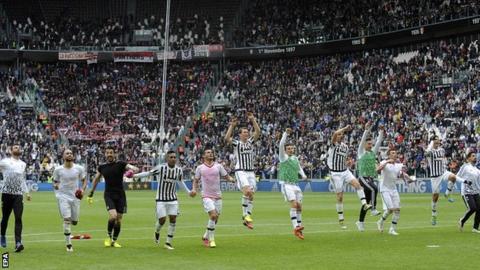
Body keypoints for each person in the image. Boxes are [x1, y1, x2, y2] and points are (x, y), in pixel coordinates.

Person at [133, 150, 190, 250]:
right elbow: (148, 173)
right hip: (161, 199)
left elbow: (180, 182)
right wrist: (135, 176)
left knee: (173, 219)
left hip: (173, 198)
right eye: (171, 157)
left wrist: (189, 192)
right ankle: (157, 231)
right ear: (167, 158)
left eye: (174, 157)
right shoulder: (161, 168)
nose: (173, 159)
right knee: (162, 220)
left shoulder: (178, 170)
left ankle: (168, 243)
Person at [87, 146, 139, 248]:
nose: (109, 154)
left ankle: (114, 241)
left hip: (120, 195)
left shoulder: (121, 164)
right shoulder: (102, 167)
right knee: (113, 216)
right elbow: (96, 179)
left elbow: (134, 168)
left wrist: (132, 171)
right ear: (105, 154)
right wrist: (91, 192)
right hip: (109, 195)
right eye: (107, 153)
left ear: (114, 153)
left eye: (111, 152)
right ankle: (108, 236)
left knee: (119, 220)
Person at [327, 125, 371, 229]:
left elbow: (343, 159)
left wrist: (348, 163)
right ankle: (341, 218)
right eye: (338, 134)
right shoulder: (333, 145)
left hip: (345, 171)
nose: (339, 136)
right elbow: (333, 134)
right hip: (335, 173)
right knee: (340, 197)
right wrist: (345, 128)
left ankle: (364, 204)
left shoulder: (345, 147)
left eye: (341, 134)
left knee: (358, 185)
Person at [190, 148, 234, 248]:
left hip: (218, 196)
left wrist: (231, 179)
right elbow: (196, 181)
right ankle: (212, 240)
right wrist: (194, 189)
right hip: (206, 196)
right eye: (208, 153)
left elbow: (226, 176)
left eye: (211, 153)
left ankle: (205, 236)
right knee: (213, 216)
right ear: (203, 156)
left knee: (215, 219)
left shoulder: (218, 166)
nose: (210, 154)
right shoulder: (200, 168)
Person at [225, 112, 261, 229]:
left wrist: (252, 119)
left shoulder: (250, 142)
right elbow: (227, 138)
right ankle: (246, 215)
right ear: (240, 135)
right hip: (241, 170)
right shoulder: (237, 143)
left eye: (247, 132)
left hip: (251, 171)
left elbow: (258, 132)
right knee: (247, 192)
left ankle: (247, 217)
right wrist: (232, 126)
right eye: (244, 132)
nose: (247, 133)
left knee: (251, 195)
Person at [425, 135, 467, 225]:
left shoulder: (442, 150)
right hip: (435, 176)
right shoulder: (430, 151)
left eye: (438, 140)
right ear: (432, 142)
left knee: (453, 177)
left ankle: (447, 193)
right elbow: (426, 154)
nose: (437, 142)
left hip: (443, 172)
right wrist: (430, 145)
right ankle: (434, 214)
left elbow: (444, 158)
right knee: (435, 197)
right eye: (435, 140)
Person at [52, 149, 87, 252]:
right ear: (63, 156)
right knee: (67, 219)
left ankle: (69, 230)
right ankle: (68, 244)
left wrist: (82, 190)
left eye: (71, 153)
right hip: (62, 197)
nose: (69, 154)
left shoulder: (79, 168)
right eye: (67, 153)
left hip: (75, 197)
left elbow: (84, 180)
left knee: (74, 221)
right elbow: (54, 181)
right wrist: (56, 185)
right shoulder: (58, 170)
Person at [376, 149, 414, 236]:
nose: (394, 154)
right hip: (384, 189)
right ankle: (380, 221)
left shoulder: (398, 165)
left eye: (395, 153)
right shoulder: (384, 162)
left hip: (393, 189)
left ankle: (392, 229)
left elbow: (402, 174)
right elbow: (378, 170)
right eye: (392, 153)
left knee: (397, 210)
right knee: (390, 209)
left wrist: (409, 179)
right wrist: (387, 162)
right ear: (389, 155)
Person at [0, 144, 31, 252]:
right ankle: (2, 235)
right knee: (5, 218)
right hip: (6, 193)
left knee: (18, 218)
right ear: (11, 150)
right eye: (15, 147)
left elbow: (22, 179)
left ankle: (18, 243)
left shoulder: (23, 164)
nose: (18, 148)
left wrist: (27, 192)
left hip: (18, 194)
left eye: (19, 147)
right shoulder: (5, 162)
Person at [278, 128, 307, 239]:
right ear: (285, 150)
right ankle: (295, 227)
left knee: (299, 207)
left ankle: (299, 228)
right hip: (286, 184)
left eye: (292, 148)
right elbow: (281, 144)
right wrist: (285, 134)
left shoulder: (295, 158)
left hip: (296, 184)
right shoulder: (283, 157)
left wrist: (303, 175)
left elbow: (299, 168)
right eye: (288, 148)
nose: (291, 150)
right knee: (294, 204)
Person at [355, 122, 384, 231]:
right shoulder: (361, 152)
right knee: (374, 188)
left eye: (371, 144)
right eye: (368, 144)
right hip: (363, 177)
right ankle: (374, 209)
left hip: (370, 178)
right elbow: (362, 141)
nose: (371, 145)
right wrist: (366, 130)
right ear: (364, 145)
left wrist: (381, 132)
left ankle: (360, 222)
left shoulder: (373, 152)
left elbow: (379, 142)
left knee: (366, 203)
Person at [456, 151, 480, 233]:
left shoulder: (477, 170)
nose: (475, 157)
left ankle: (475, 228)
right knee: (473, 208)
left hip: (476, 192)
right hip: (466, 192)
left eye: (475, 156)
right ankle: (462, 220)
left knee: (479, 209)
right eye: (473, 156)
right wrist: (464, 181)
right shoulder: (465, 167)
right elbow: (457, 177)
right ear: (468, 158)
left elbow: (477, 182)